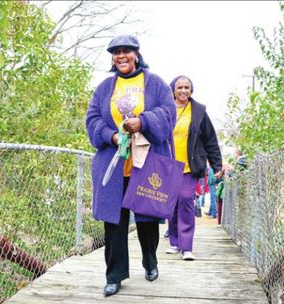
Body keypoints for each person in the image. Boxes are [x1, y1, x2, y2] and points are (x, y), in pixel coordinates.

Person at [86, 35, 176, 297]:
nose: (120, 56)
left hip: (145, 165)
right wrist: (111, 136)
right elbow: (92, 119)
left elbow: (168, 113)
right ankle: (114, 276)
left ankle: (150, 261)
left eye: (126, 51)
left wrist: (143, 122)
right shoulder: (105, 88)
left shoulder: (155, 83)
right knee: (114, 224)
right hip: (114, 167)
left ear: (136, 54)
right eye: (116, 53)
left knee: (147, 220)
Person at [165, 75, 222, 261]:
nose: (183, 91)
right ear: (173, 90)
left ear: (191, 90)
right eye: (179, 87)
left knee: (186, 200)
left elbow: (210, 139)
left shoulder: (198, 111)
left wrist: (217, 165)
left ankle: (186, 246)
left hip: (190, 165)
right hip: (168, 165)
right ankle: (174, 242)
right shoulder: (165, 109)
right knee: (171, 203)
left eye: (187, 87)